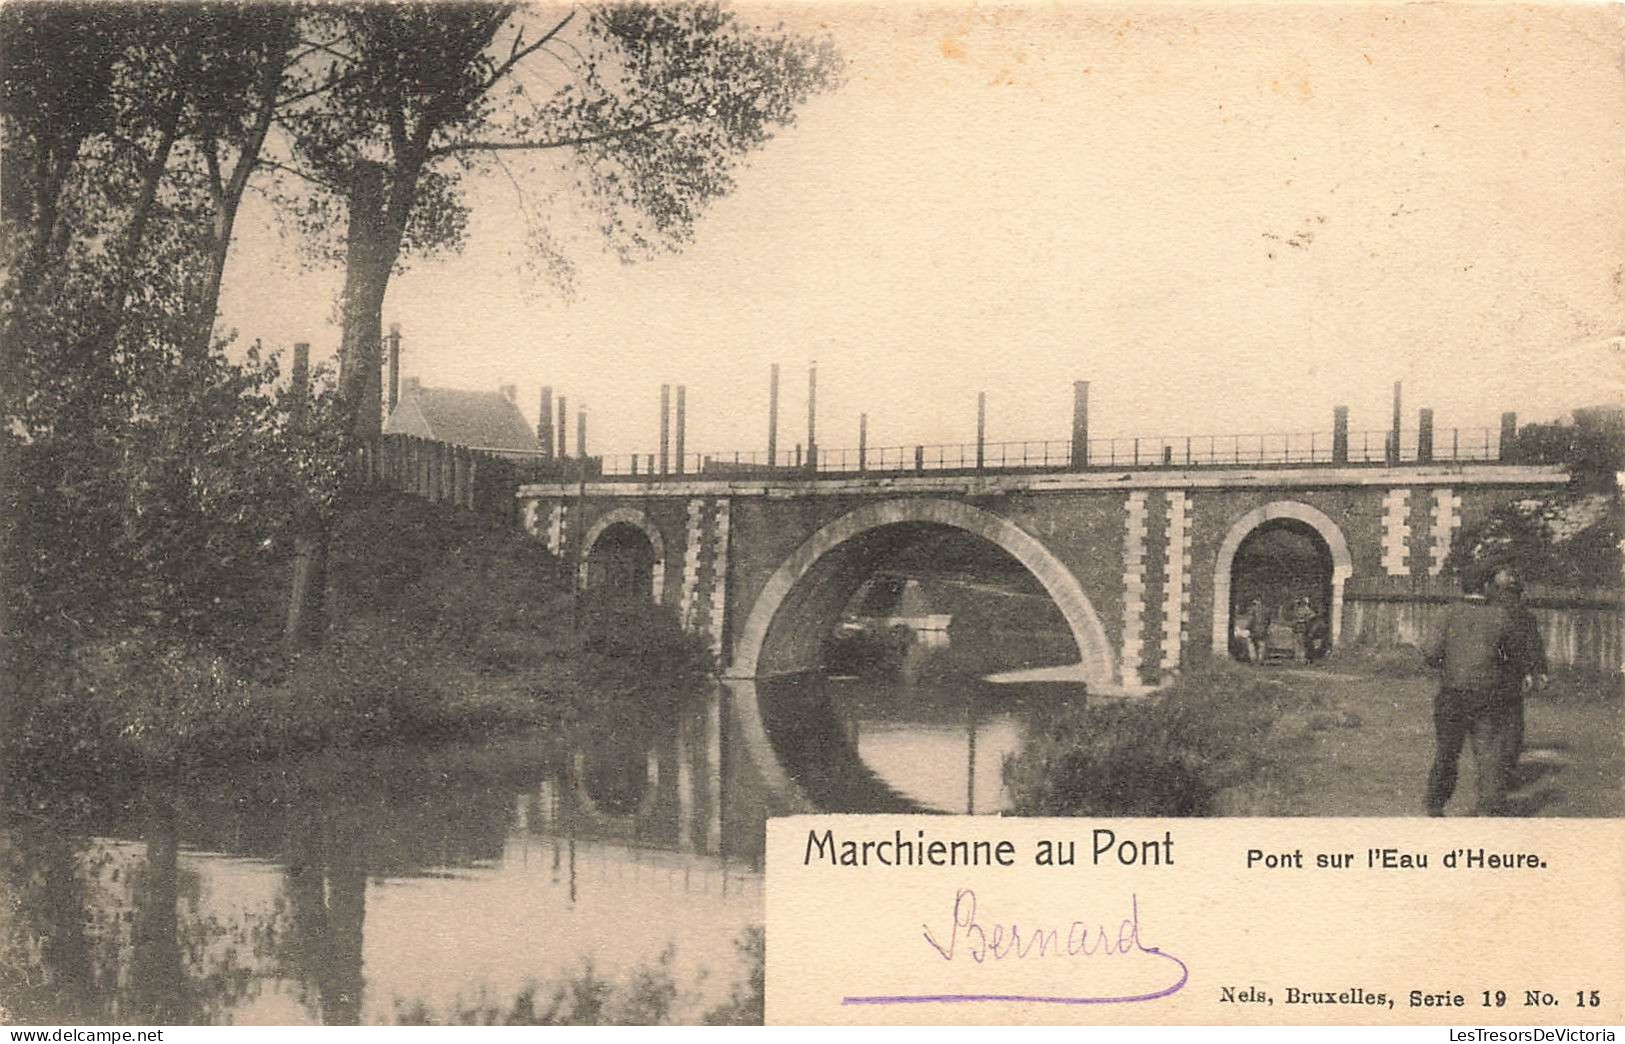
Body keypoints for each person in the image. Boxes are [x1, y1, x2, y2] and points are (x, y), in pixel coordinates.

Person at [1424, 569, 1519, 816]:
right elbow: (1511, 656)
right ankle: (1488, 810)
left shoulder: (1445, 613)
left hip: (1452, 693)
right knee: (1488, 754)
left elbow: (1431, 653)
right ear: (1487, 586)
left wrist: (1450, 663)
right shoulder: (1500, 616)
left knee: (1446, 752)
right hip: (1487, 695)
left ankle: (1435, 805)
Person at [1489, 568, 1547, 788]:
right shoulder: (1522, 615)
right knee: (1511, 724)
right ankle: (1504, 772)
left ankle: (1497, 773)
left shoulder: (1491, 612)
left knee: (1498, 725)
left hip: (1495, 675)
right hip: (1511, 675)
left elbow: (1533, 645)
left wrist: (1536, 670)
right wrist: (1537, 671)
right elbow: (1534, 646)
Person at [1246, 597, 1270, 664]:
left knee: (1251, 644)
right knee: (1262, 644)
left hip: (1254, 630)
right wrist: (1265, 627)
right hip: (1263, 629)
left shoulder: (1252, 610)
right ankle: (1261, 659)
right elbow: (1268, 621)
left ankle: (1253, 659)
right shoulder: (1266, 610)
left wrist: (1247, 628)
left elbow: (1251, 620)